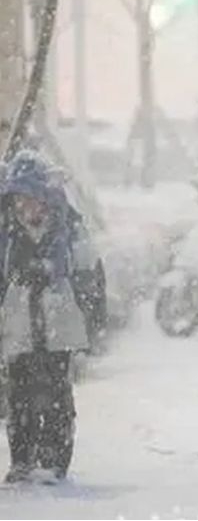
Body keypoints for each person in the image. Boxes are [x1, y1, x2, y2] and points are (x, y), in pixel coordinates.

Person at [0, 150, 107, 484]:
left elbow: (90, 277)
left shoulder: (67, 230)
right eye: (16, 200)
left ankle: (53, 460)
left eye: (28, 199)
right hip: (19, 329)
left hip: (59, 328)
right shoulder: (7, 235)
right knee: (19, 396)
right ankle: (22, 460)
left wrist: (92, 322)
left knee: (55, 395)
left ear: (44, 199)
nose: (22, 208)